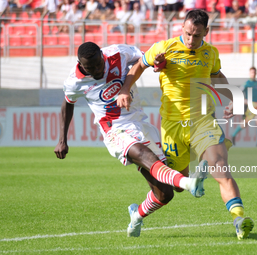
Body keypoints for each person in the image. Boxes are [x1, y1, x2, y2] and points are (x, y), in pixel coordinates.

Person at [117, 10, 254, 240]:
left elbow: (217, 76)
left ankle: (239, 219)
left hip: (203, 121)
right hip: (172, 126)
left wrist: (236, 99)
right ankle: (142, 209)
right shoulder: (164, 48)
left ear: (206, 33)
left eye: (197, 36)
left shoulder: (210, 53)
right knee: (177, 186)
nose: (191, 40)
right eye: (188, 34)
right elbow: (139, 66)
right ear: (182, 27)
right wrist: (124, 89)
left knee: (220, 165)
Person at [54, 42, 207, 237]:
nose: (95, 71)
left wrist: (157, 63)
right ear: (80, 64)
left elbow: (143, 59)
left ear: (102, 56)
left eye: (97, 65)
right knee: (144, 154)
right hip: (115, 131)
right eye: (88, 68)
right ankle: (189, 183)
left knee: (167, 193)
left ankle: (137, 215)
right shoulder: (75, 81)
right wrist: (62, 139)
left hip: (140, 124)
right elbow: (68, 104)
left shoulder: (119, 53)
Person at [231, 67, 257, 147]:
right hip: (249, 106)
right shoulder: (246, 83)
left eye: (254, 72)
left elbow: (256, 94)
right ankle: (233, 135)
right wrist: (244, 100)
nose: (253, 74)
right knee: (244, 124)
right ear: (249, 73)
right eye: (252, 72)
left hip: (256, 105)